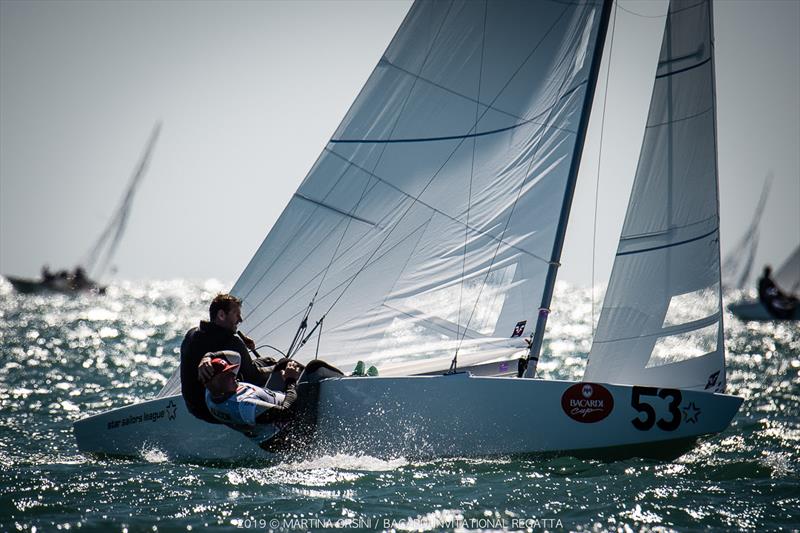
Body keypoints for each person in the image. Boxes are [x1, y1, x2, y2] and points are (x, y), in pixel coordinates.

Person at [180, 293, 276, 423]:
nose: (240, 319)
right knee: (273, 370)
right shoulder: (233, 343)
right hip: (216, 412)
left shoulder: (192, 334)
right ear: (221, 315)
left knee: (267, 361)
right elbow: (255, 377)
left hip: (193, 407)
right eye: (236, 314)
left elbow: (213, 340)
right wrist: (279, 366)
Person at [203, 351, 302, 430]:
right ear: (214, 384)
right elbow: (286, 413)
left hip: (274, 400)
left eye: (230, 371)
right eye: (226, 375)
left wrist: (208, 357)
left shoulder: (212, 392)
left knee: (283, 363)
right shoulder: (243, 406)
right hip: (287, 429)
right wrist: (290, 381)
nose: (233, 375)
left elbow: (237, 356)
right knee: (314, 367)